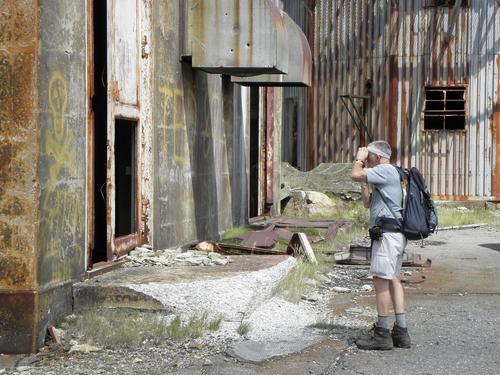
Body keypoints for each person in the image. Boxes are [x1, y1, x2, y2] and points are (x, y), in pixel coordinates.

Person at [350, 140, 411, 350]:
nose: (368, 160)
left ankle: (382, 333)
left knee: (381, 280)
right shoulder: (391, 174)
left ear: (377, 156)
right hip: (395, 234)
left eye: (370, 156)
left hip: (387, 236)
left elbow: (355, 173)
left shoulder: (385, 170)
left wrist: (359, 158)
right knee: (393, 278)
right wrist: (365, 183)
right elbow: (368, 203)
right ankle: (401, 332)